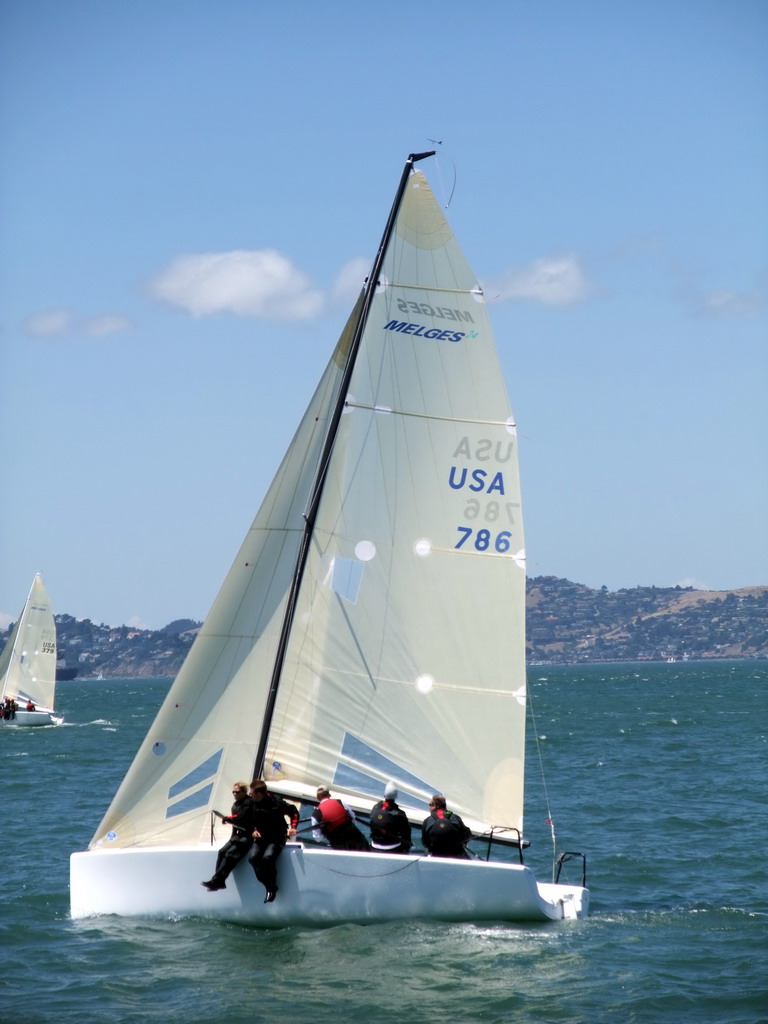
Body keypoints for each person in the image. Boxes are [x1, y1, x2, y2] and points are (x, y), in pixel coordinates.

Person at [247, 779, 299, 903]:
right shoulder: (251, 803)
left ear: (259, 793)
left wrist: (293, 827)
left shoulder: (277, 802)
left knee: (267, 858)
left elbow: (294, 812)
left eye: (252, 792)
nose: (250, 794)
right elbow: (246, 821)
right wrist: (253, 830)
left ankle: (271, 889)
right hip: (261, 838)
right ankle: (270, 887)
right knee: (253, 858)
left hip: (277, 837)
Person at [201, 782, 255, 891]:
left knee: (230, 855)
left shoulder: (249, 802)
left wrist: (228, 819)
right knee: (221, 852)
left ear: (244, 792)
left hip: (248, 837)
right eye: (233, 792)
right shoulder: (235, 805)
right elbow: (235, 824)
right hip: (238, 836)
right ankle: (217, 881)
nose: (235, 794)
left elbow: (240, 817)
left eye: (237, 792)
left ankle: (216, 881)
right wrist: (232, 837)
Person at [312, 786, 370, 851]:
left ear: (317, 798)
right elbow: (353, 817)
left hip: (339, 844)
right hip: (354, 837)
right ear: (329, 795)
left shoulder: (316, 814)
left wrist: (326, 834)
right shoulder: (340, 802)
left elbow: (317, 838)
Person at [368, 782, 412, 854]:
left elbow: (372, 818)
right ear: (396, 797)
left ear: (384, 795)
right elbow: (406, 833)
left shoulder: (375, 810)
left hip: (374, 846)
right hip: (393, 848)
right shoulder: (400, 814)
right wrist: (407, 848)